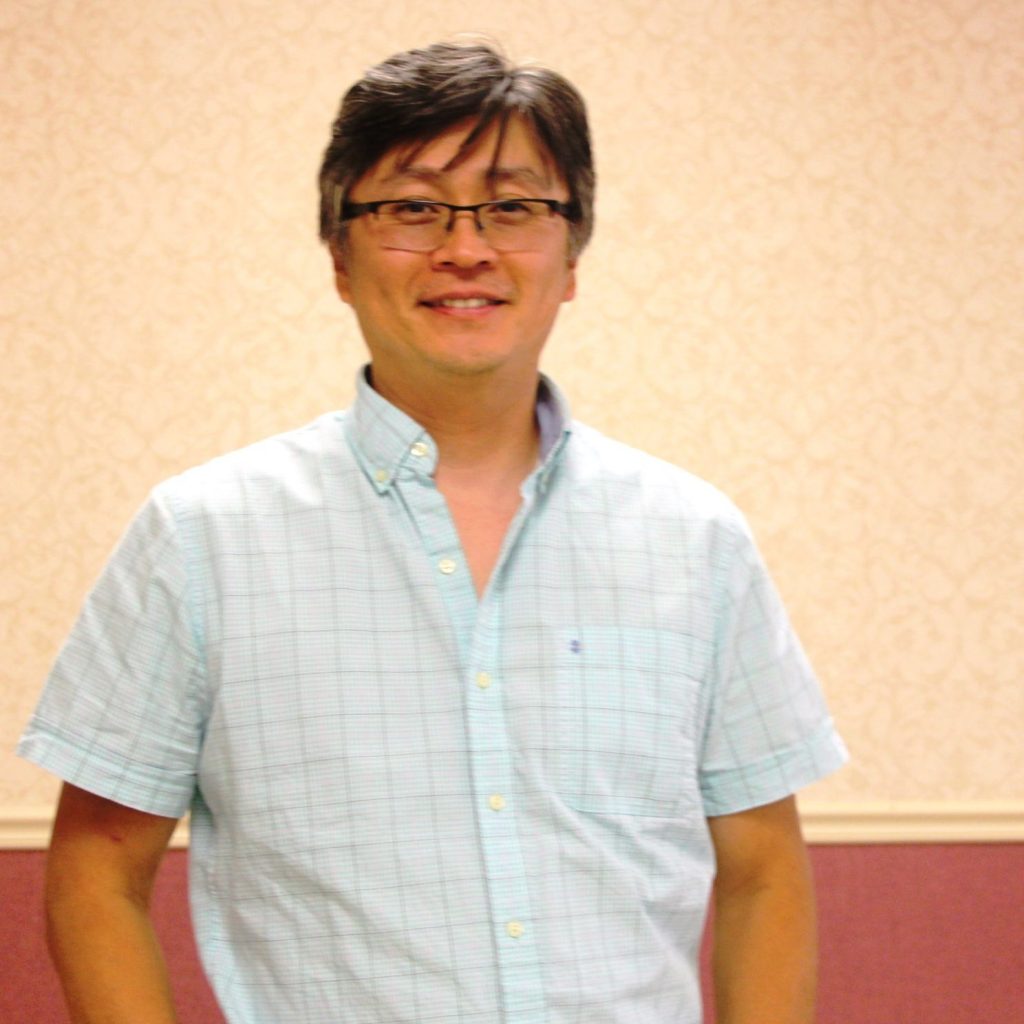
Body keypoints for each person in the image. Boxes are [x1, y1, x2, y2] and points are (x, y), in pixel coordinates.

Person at [19, 40, 847, 1024]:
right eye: (413, 209)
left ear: (572, 257)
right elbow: (97, 872)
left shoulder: (693, 539)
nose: (465, 249)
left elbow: (761, 872)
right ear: (339, 255)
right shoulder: (202, 537)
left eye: (512, 207)